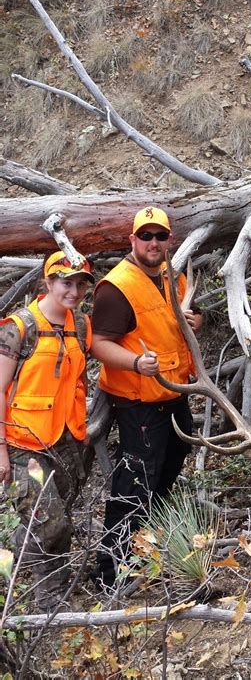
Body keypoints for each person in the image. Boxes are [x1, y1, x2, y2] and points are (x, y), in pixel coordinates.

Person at [91, 206, 202, 586]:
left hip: (175, 392)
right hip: (139, 400)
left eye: (160, 236)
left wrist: (197, 322)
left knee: (172, 460)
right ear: (132, 240)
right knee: (136, 480)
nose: (153, 243)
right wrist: (137, 363)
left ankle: (145, 543)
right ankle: (111, 571)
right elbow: (99, 344)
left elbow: (192, 317)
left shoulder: (174, 276)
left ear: (170, 240)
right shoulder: (117, 287)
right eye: (146, 236)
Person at [0, 251, 94, 611]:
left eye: (80, 283)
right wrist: (2, 450)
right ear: (48, 282)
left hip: (66, 440)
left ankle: (51, 599)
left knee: (58, 523)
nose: (73, 290)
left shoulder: (81, 326)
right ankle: (25, 582)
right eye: (65, 282)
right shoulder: (18, 327)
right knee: (50, 524)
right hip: (24, 443)